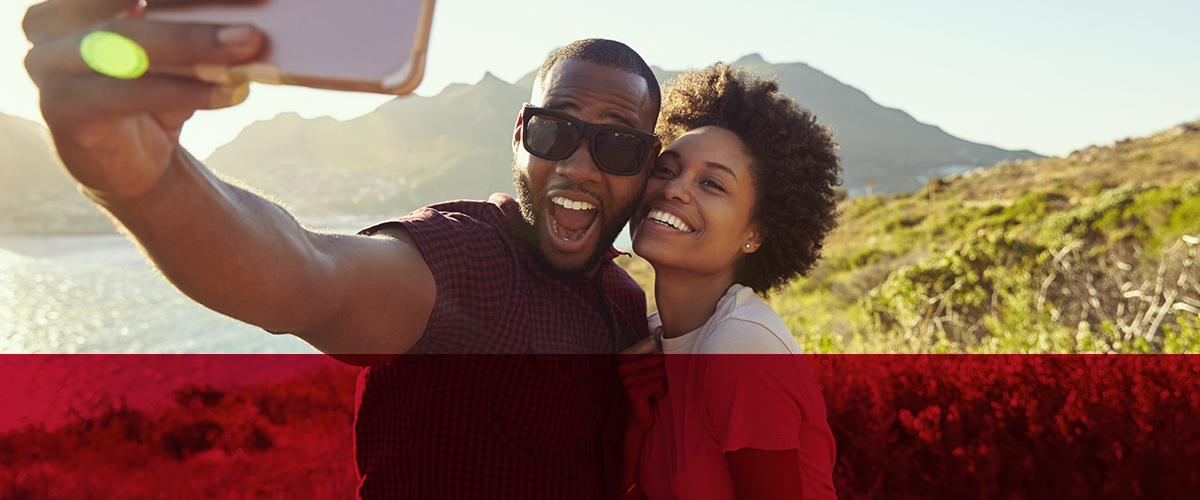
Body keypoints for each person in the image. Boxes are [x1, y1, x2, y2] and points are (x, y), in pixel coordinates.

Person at [23, 0, 662, 497]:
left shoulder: (627, 303)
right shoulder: (470, 261)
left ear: (647, 166)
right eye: (556, 131)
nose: (579, 166)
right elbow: (308, 277)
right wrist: (149, 183)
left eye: (616, 145)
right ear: (522, 135)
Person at [618, 64, 842, 499]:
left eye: (712, 184)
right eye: (666, 169)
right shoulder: (655, 340)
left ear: (754, 233)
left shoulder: (740, 346)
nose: (674, 190)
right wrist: (634, 426)